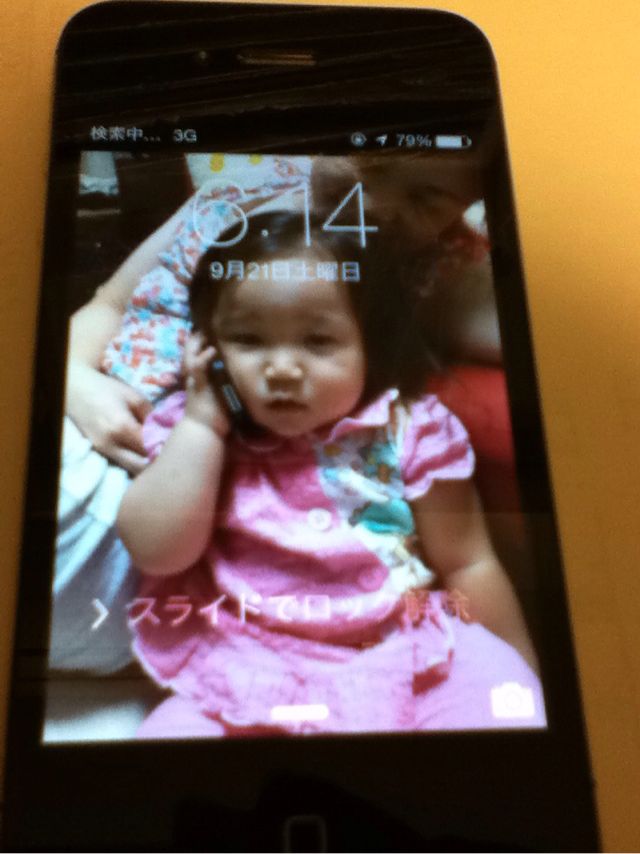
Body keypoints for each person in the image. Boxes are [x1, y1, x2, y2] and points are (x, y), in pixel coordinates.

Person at [116, 211, 544, 738]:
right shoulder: (195, 434)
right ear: (207, 350)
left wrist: (522, 676)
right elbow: (158, 553)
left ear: (371, 347)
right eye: (248, 339)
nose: (282, 369)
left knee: (504, 713)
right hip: (248, 664)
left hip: (410, 648)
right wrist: (202, 426)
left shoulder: (409, 428)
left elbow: (468, 562)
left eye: (318, 342)